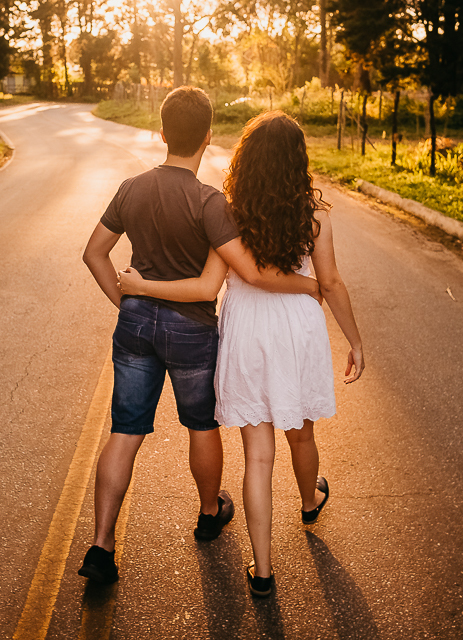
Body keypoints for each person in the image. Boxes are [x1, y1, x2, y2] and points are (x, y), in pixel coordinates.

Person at [118, 110, 364, 597]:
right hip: (295, 326)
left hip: (247, 327)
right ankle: (309, 502)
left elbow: (218, 279)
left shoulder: (228, 212)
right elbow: (331, 282)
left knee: (258, 456)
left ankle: (263, 570)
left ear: (246, 159)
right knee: (301, 433)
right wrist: (355, 340)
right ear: (297, 160)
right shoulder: (315, 215)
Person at [80, 89, 320, 585]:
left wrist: (128, 303)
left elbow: (94, 253)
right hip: (190, 329)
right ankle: (210, 513)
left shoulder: (130, 188)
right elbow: (232, 278)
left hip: (136, 326)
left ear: (162, 134)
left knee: (125, 432)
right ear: (208, 137)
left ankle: (102, 546)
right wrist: (311, 286)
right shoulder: (210, 202)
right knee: (201, 426)